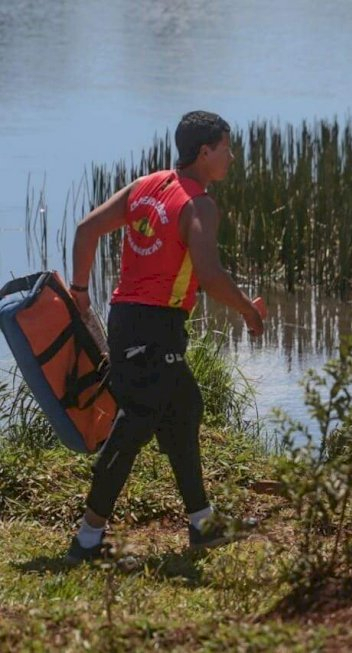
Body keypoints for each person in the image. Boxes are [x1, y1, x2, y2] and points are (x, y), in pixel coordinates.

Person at [65, 111, 265, 564]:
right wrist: (249, 312)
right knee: (134, 426)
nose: (231, 157)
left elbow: (85, 231)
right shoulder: (200, 205)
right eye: (226, 148)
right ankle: (87, 540)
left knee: (185, 407)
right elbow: (210, 276)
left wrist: (81, 292)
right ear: (204, 151)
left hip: (128, 321)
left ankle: (203, 524)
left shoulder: (147, 185)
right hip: (154, 329)